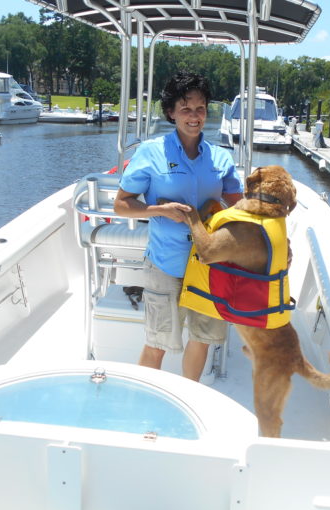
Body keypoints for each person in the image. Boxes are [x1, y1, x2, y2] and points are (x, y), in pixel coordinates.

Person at [113, 70, 243, 381]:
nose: (194, 116)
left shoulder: (221, 158)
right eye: (185, 108)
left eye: (200, 108)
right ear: (171, 112)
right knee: (157, 342)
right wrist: (158, 209)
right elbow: (121, 204)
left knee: (200, 339)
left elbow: (241, 210)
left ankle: (189, 400)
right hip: (165, 263)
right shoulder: (151, 152)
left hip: (209, 265)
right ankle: (145, 400)